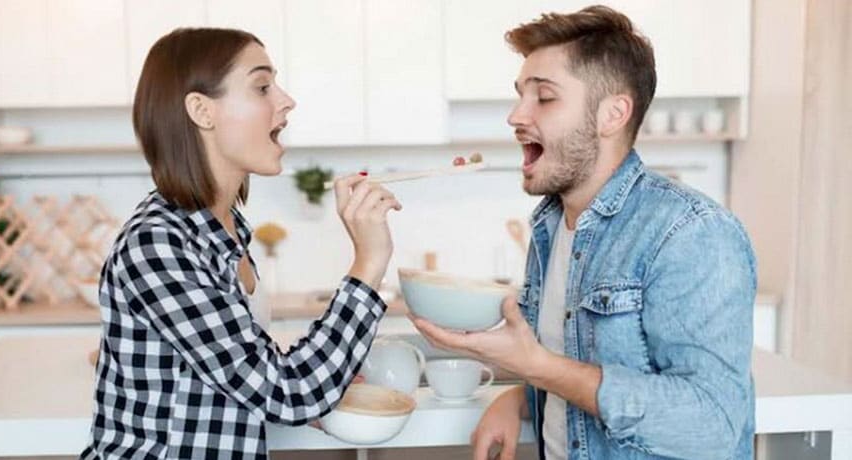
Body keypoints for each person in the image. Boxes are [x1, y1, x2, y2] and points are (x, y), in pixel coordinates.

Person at [411, 6, 756, 460]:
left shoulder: (691, 232)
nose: (515, 115)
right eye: (520, 95)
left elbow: (712, 425)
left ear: (612, 114)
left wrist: (538, 368)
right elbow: (573, 367)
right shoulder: (552, 227)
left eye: (544, 97)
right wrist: (518, 399)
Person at [81, 28, 402, 459]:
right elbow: (289, 392)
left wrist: (322, 383)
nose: (287, 101)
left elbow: (255, 375)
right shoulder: (157, 245)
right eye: (262, 87)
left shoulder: (223, 231)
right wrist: (369, 261)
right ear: (202, 111)